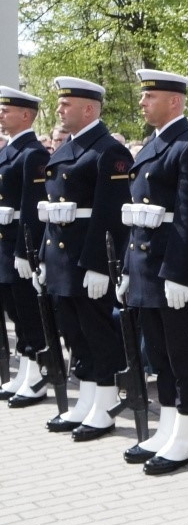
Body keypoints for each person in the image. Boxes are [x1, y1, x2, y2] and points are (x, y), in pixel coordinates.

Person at [119, 70, 188, 474]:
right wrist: (129, 269)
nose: (143, 102)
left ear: (174, 102)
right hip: (146, 266)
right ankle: (167, 426)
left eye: (151, 96)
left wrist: (178, 273)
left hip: (170, 269)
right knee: (159, 354)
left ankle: (186, 433)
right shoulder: (155, 145)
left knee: (182, 355)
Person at [39, 78, 132, 439]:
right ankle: (88, 398)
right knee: (74, 333)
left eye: (66, 104)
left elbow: (109, 214)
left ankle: (105, 404)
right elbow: (54, 209)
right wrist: (45, 257)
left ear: (89, 109)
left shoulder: (108, 151)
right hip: (62, 256)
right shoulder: (70, 147)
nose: (60, 110)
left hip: (85, 257)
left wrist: (98, 264)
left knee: (97, 332)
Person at [0, 87, 50, 407]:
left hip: (19, 244)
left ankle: (37, 375)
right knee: (14, 311)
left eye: (6, 110)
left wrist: (25, 251)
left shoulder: (33, 153)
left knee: (28, 312)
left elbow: (33, 206)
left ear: (26, 115)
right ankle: (24, 371)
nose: (1, 115)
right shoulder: (8, 151)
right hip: (4, 244)